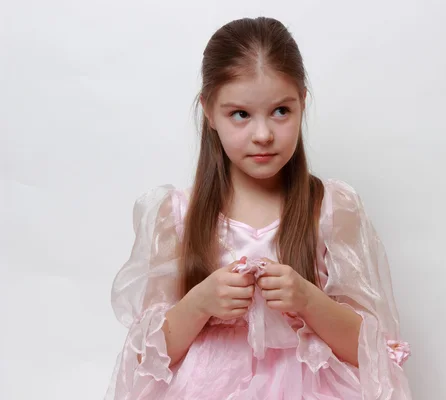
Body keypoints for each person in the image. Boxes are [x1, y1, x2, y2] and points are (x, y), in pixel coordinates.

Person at [105, 16, 412, 400]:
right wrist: (200, 303)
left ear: (302, 101)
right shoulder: (177, 215)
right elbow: (147, 358)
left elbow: (372, 353)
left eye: (281, 111)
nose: (264, 134)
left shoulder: (332, 209)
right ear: (209, 112)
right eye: (241, 115)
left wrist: (307, 300)